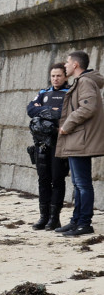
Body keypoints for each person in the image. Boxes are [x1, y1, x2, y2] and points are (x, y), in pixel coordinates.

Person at [55, 51, 104, 237]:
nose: (65, 65)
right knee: (77, 183)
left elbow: (88, 107)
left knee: (82, 184)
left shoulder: (84, 81)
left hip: (81, 140)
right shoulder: (81, 81)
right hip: (78, 139)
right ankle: (76, 220)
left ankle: (84, 223)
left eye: (67, 62)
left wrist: (67, 125)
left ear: (75, 65)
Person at [26, 64, 70, 230]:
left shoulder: (69, 93)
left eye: (58, 76)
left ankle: (54, 218)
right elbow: (30, 109)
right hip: (41, 143)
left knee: (57, 180)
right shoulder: (44, 92)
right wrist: (49, 110)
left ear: (65, 76)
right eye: (53, 76)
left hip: (59, 143)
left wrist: (42, 110)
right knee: (43, 180)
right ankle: (43, 217)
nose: (55, 79)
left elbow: (62, 114)